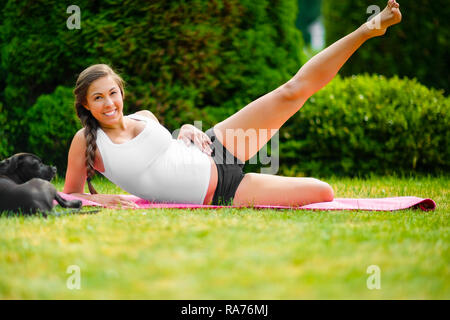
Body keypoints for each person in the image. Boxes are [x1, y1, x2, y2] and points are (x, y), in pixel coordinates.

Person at [63, 0, 402, 208]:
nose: (109, 103)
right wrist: (103, 198)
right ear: (86, 106)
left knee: (290, 92)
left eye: (112, 93)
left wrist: (184, 129)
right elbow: (68, 195)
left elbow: (167, 145)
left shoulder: (144, 116)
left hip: (215, 144)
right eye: (98, 98)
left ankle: (366, 29)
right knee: (323, 192)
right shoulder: (86, 142)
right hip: (223, 191)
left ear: (121, 92)